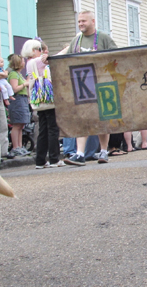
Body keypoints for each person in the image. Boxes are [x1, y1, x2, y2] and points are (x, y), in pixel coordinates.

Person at [62, 10, 118, 166]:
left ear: (93, 21)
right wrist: (48, 58)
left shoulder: (104, 38)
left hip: (103, 83)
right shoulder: (76, 40)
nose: (80, 24)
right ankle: (79, 154)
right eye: (79, 21)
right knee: (83, 118)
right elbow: (65, 55)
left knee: (103, 119)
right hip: (82, 85)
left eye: (83, 21)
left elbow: (117, 56)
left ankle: (104, 151)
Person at [22, 38, 61, 168]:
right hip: (47, 97)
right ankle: (54, 158)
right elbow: (56, 57)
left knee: (43, 129)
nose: (41, 52)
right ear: (33, 50)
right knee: (52, 128)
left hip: (38, 99)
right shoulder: (37, 61)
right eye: (39, 49)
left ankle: (40, 160)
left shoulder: (29, 63)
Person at [7, 53, 30, 157]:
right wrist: (25, 84)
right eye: (22, 61)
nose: (24, 63)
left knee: (21, 124)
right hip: (17, 100)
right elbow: (14, 88)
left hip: (23, 99)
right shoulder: (13, 74)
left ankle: (20, 146)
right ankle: (15, 147)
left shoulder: (19, 74)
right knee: (16, 124)